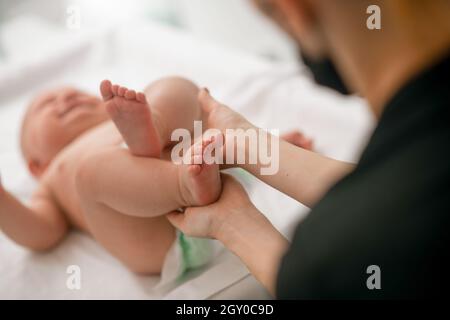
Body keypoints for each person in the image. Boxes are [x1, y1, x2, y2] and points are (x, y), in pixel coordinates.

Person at [167, 0, 450, 298]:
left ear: (294, 10)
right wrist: (247, 145)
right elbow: (402, 186)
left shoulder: (343, 260)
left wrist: (232, 225)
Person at [0, 77, 312, 275]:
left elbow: (203, 138)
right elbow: (39, 232)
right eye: (47, 105)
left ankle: (159, 126)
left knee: (173, 88)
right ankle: (183, 184)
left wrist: (268, 150)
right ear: (36, 167)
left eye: (75, 93)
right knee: (90, 172)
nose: (65, 99)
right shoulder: (52, 179)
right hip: (154, 233)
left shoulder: (119, 121)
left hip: (198, 171)